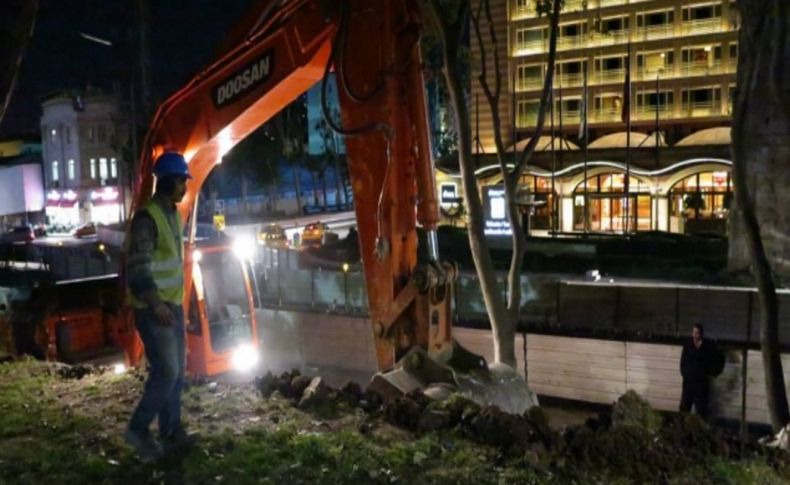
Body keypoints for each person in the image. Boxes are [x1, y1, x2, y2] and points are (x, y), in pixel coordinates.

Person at [124, 152, 194, 461]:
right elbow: (138, 269)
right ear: (167, 181)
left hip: (172, 306)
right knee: (166, 371)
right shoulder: (147, 218)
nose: (185, 187)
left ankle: (171, 432)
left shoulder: (172, 215)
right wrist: (156, 304)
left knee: (177, 374)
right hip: (155, 309)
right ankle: (138, 429)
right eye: (181, 180)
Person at [679, 323, 724, 420]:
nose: (695, 335)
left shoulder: (708, 346)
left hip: (701, 383)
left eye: (697, 333)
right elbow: (683, 362)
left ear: (701, 334)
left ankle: (700, 430)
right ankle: (682, 428)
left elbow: (719, 359)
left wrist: (712, 373)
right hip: (689, 383)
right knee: (684, 408)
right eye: (694, 332)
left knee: (701, 411)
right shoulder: (688, 345)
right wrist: (685, 374)